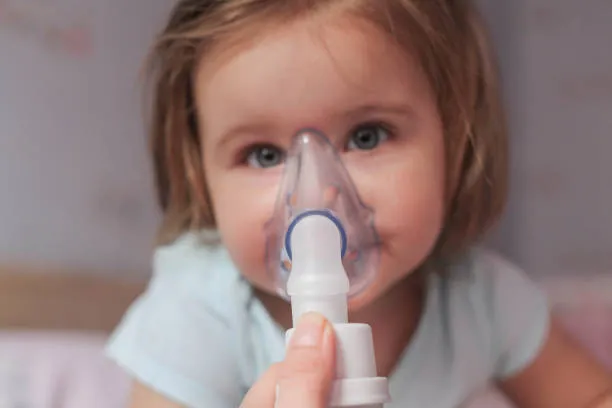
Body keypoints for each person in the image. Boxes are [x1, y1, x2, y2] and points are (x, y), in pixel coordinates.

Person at [106, 1, 612, 407]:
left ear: (456, 143)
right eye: (264, 155)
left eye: (367, 136)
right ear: (201, 179)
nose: (318, 195)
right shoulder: (200, 315)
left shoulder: (477, 299)